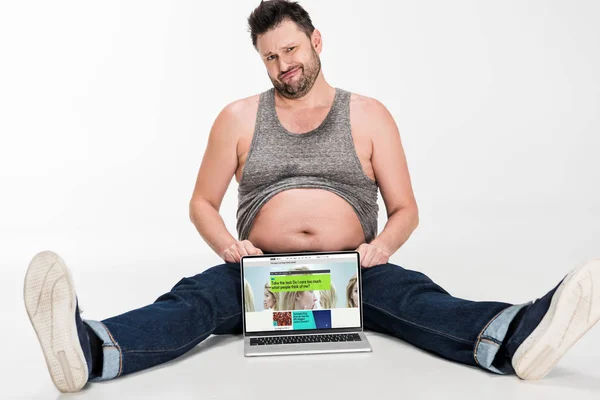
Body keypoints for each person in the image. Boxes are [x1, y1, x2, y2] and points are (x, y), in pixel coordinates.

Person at [22, 0, 600, 393]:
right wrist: (229, 246)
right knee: (192, 304)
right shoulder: (238, 117)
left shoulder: (370, 115)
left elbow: (405, 210)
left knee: (420, 302)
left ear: (316, 40)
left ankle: (518, 336)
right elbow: (202, 202)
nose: (283, 65)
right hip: (262, 274)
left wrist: (383, 248)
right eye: (270, 56)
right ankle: (89, 349)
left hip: (353, 272)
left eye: (291, 50)